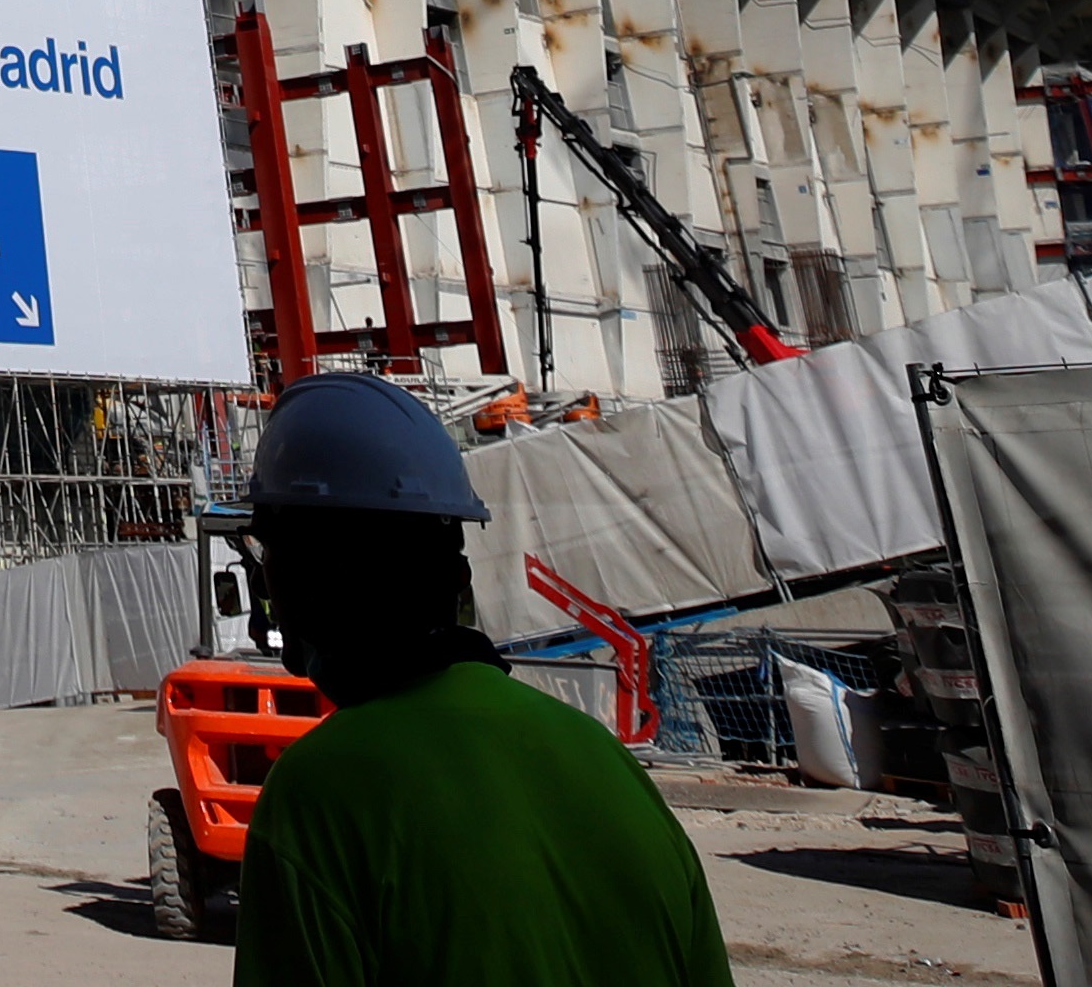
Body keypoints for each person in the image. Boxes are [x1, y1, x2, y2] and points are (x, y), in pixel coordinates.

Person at [231, 375, 727, 987]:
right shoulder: (607, 762)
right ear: (456, 577)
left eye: (268, 554)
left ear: (308, 580)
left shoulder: (318, 796)